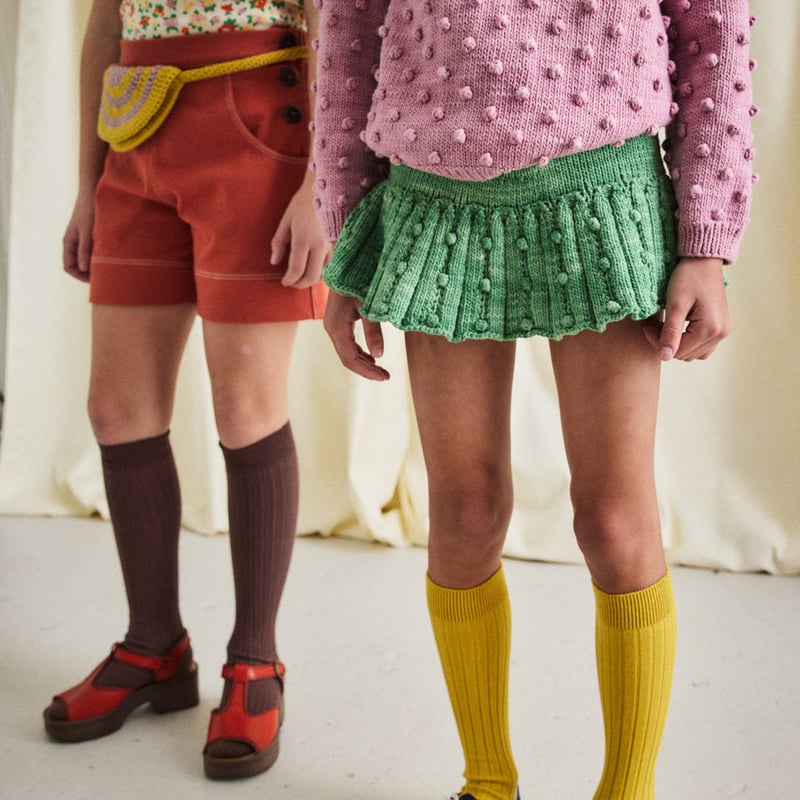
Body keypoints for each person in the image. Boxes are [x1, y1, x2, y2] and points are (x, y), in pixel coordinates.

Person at [313, 1, 755, 798]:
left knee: (614, 520)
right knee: (463, 514)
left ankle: (628, 792)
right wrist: (347, 235)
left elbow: (714, 36)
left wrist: (706, 242)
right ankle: (488, 783)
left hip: (604, 194)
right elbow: (346, 43)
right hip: (433, 203)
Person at [44, 0, 329, 781]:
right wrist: (87, 182)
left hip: (259, 128)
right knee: (116, 411)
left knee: (244, 410)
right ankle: (154, 647)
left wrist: (320, 181)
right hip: (136, 130)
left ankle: (256, 661)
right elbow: (107, 26)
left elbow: (331, 19)